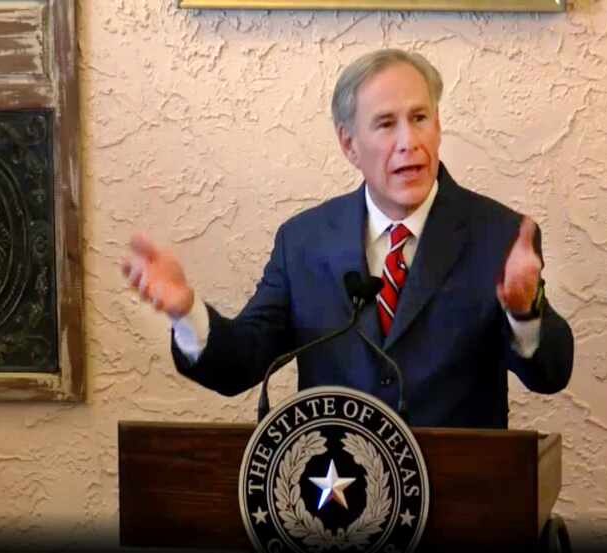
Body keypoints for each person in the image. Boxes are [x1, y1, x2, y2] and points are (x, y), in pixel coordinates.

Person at [123, 49, 574, 428]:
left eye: (420, 118)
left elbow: (551, 373)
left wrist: (524, 313)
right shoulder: (303, 241)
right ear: (348, 144)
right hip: (334, 509)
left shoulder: (498, 236)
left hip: (459, 510)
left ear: (438, 127)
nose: (408, 141)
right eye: (385, 124)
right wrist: (187, 313)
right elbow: (242, 362)